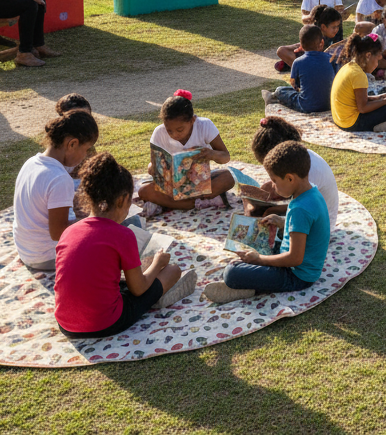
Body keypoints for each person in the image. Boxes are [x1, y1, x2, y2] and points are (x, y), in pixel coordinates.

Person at [55, 152, 195, 336]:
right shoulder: (122, 235)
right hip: (106, 323)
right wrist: (157, 263)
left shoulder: (68, 231)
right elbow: (138, 289)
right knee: (172, 270)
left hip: (65, 324)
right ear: (121, 200)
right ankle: (160, 297)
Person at [205, 140, 331, 303]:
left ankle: (246, 288)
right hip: (299, 263)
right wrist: (283, 224)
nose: (272, 185)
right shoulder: (311, 192)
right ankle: (252, 278)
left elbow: (295, 259)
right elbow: (307, 231)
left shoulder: (300, 209)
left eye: (274, 181)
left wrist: (259, 260)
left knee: (231, 272)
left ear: (290, 178)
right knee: (256, 243)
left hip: (297, 276)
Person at [13, 110, 100, 270]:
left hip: (26, 251)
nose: (85, 156)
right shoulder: (59, 178)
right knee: (110, 237)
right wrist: (95, 221)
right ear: (72, 144)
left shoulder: (31, 163)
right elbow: (58, 233)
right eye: (86, 149)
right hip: (47, 256)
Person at [137, 91, 235, 214]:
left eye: (180, 130)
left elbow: (226, 157)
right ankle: (198, 202)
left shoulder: (205, 125)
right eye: (169, 130)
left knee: (228, 177)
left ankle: (179, 204)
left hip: (200, 182)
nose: (174, 134)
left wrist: (211, 154)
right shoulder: (159, 133)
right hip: (173, 186)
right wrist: (153, 168)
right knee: (144, 191)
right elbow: (152, 165)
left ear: (192, 120)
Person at [248, 116, 339, 226]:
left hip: (318, 223)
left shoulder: (309, 171)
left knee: (268, 218)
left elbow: (302, 208)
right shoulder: (299, 158)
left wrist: (273, 211)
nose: (273, 183)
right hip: (309, 211)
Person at [330, 34, 386, 133]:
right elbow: (363, 108)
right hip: (351, 123)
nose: (377, 64)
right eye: (377, 60)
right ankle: (380, 126)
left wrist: (380, 97)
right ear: (368, 56)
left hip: (340, 120)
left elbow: (358, 99)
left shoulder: (349, 66)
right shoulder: (358, 75)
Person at [263, 24, 336, 113]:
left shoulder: (298, 62)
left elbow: (295, 85)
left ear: (300, 46)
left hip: (307, 106)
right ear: (322, 43)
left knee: (280, 90)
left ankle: (272, 97)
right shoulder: (331, 58)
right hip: (330, 104)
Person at [276, 4, 343, 72]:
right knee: (282, 51)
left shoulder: (335, 33)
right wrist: (301, 46)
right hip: (310, 63)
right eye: (334, 27)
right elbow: (281, 50)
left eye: (338, 26)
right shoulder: (313, 36)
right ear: (323, 27)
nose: (337, 29)